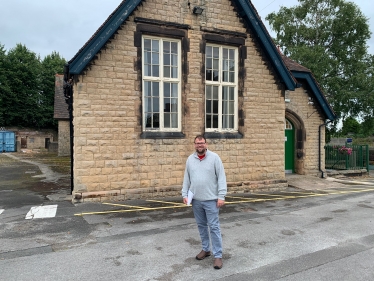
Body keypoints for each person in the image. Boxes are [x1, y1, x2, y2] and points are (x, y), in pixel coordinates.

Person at [182, 135, 227, 269]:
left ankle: (218, 255)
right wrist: (184, 194)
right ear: (194, 145)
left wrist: (221, 196)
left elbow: (221, 177)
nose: (199, 145)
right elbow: (186, 179)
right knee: (201, 226)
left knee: (214, 227)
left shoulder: (214, 158)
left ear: (206, 144)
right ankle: (206, 249)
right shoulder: (190, 159)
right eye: (197, 143)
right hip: (196, 200)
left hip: (211, 200)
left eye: (201, 143)